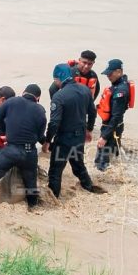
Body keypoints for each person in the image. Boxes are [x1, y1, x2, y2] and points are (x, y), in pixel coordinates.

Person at [46, 64, 102, 197]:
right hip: (79, 137)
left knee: (55, 171)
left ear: (58, 78)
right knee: (78, 165)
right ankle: (88, 187)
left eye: (55, 80)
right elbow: (93, 113)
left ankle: (53, 199)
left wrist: (47, 140)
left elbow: (54, 123)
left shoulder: (59, 97)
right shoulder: (85, 90)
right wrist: (89, 129)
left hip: (64, 139)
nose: (55, 83)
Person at [95, 58, 134, 171]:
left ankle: (103, 178)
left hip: (112, 128)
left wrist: (104, 136)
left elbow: (116, 116)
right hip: (117, 128)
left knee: (101, 161)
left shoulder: (120, 92)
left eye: (110, 73)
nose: (108, 76)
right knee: (114, 154)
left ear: (119, 72)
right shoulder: (121, 84)